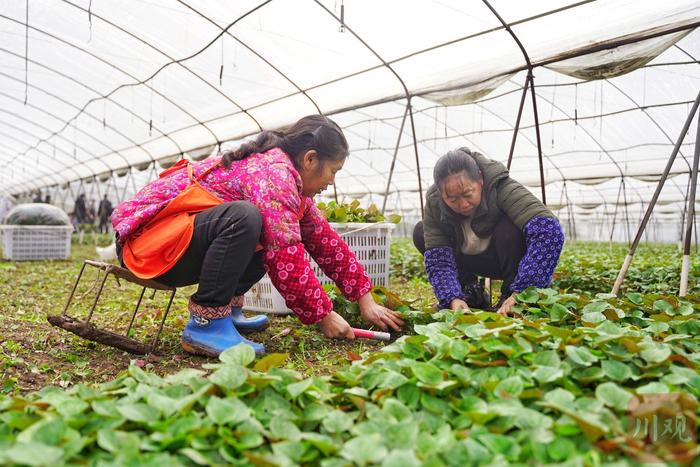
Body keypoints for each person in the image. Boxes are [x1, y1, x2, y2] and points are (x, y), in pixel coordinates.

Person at [112, 115, 404, 357]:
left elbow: (323, 240)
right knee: (244, 218)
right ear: (310, 159)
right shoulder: (273, 177)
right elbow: (287, 257)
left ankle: (229, 311)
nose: (332, 181)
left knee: (259, 226)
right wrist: (323, 315)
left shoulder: (288, 179)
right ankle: (206, 322)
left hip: (173, 242)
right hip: (149, 244)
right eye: (333, 171)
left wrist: (364, 298)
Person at [413, 147, 565, 316]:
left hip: (503, 259)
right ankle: (468, 292)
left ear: (481, 180)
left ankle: (510, 294)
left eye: (468, 193)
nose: (463, 204)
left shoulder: (501, 186)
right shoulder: (434, 204)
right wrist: (451, 298)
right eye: (453, 199)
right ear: (441, 195)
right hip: (468, 260)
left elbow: (549, 231)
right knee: (421, 232)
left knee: (510, 226)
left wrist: (524, 292)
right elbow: (438, 259)